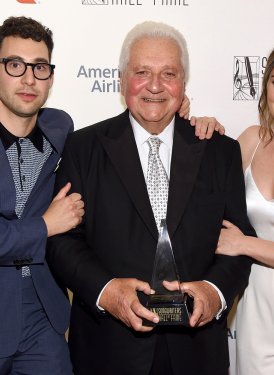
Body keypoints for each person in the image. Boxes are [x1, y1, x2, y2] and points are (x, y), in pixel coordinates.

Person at [47, 21, 255, 375]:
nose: (155, 86)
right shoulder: (83, 148)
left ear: (183, 82)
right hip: (107, 349)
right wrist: (106, 291)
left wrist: (214, 292)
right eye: (142, 72)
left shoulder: (220, 151)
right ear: (122, 79)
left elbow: (238, 241)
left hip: (197, 351)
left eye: (168, 73)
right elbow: (62, 242)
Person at [0, 16, 84, 375]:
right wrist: (45, 226)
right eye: (15, 65)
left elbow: (117, 138)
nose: (29, 79)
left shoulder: (60, 128)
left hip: (42, 321)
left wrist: (178, 115)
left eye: (39, 67)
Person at [213, 49, 274, 375]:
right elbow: (206, 193)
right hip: (256, 308)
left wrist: (244, 244)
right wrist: (199, 128)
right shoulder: (252, 140)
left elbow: (239, 241)